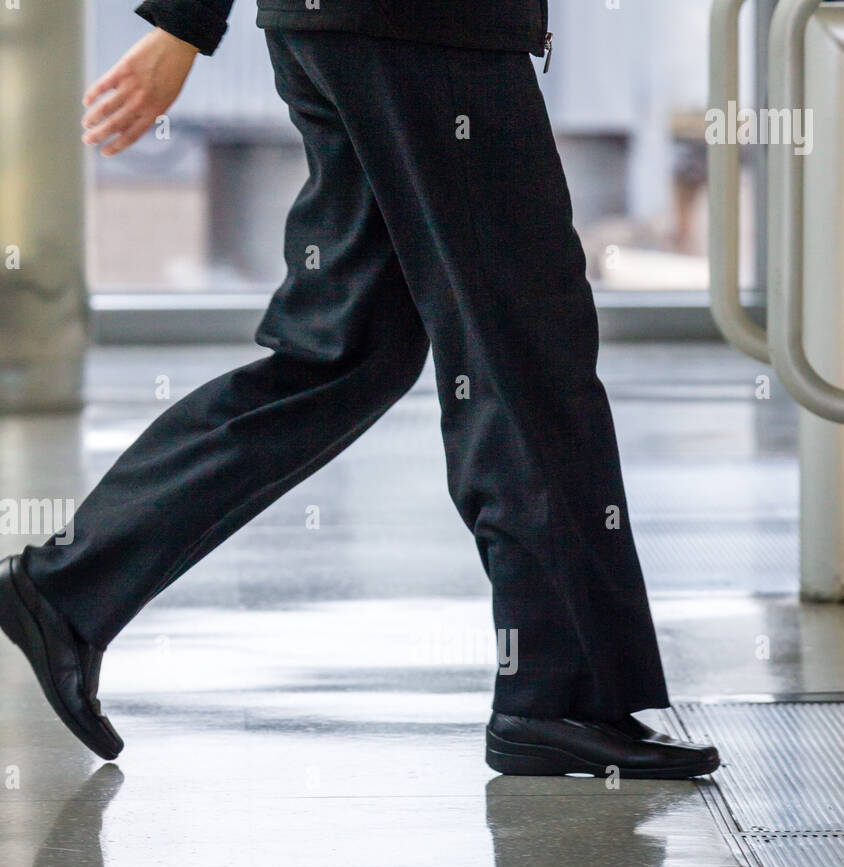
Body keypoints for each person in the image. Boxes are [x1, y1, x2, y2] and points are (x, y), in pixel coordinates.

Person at [0, 0, 719, 779]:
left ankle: (67, 590)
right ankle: (557, 692)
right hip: (417, 33)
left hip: (354, 31)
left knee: (345, 352)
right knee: (524, 349)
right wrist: (183, 23)